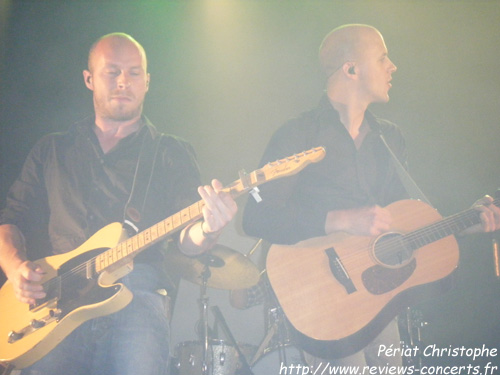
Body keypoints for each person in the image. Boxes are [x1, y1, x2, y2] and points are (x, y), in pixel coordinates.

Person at [241, 24, 500, 370]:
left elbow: (403, 223)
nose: (392, 67)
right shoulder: (297, 134)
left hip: (376, 302)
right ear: (350, 69)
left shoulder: (389, 139)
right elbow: (256, 217)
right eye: (382, 58)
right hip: (321, 301)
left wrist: (461, 224)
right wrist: (340, 219)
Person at [0, 33, 237, 375]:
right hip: (55, 302)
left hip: (137, 295)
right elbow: (12, 218)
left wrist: (209, 230)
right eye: (112, 72)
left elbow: (188, 239)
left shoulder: (171, 152)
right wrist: (15, 267)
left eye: (134, 73)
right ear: (89, 79)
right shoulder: (53, 149)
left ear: (147, 82)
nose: (124, 81)